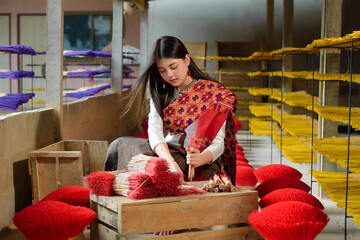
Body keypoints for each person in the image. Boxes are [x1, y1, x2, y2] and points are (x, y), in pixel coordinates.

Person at [105, 36, 237, 185]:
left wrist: (200, 158)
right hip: (169, 153)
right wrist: (169, 162)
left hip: (199, 160)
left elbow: (219, 144)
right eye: (163, 71)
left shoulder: (212, 92)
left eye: (174, 67)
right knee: (121, 144)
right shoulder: (162, 92)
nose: (170, 75)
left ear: (187, 60)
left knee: (155, 168)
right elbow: (154, 131)